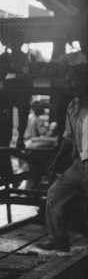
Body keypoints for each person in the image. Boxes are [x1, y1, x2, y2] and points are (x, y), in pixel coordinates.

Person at [37, 64, 88, 252]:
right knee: (54, 194)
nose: (72, 84)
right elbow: (68, 137)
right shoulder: (73, 105)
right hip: (79, 164)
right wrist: (57, 161)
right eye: (70, 80)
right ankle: (58, 238)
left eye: (76, 80)